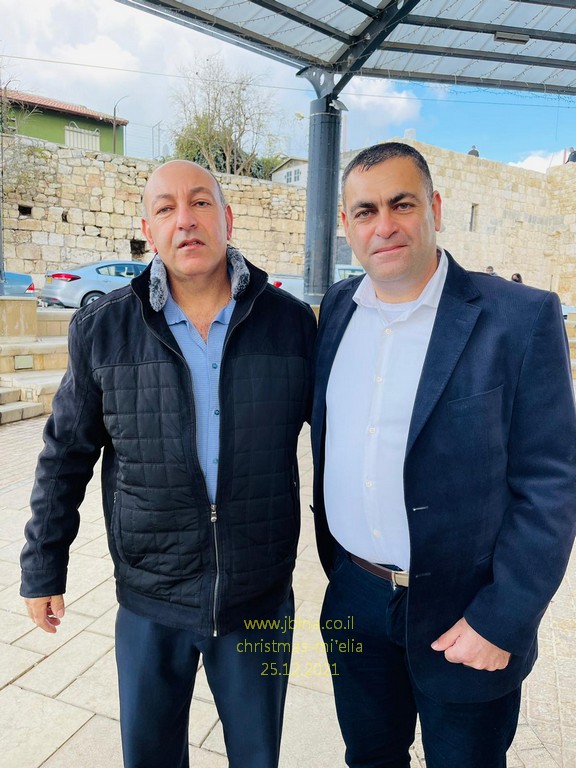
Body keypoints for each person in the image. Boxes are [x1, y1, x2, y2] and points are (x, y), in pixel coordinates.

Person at [21, 160, 317, 768]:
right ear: (148, 231)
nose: (186, 220)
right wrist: (43, 564)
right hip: (150, 595)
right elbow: (65, 453)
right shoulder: (103, 328)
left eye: (201, 203)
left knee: (257, 756)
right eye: (166, 208)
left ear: (227, 218)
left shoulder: (289, 324)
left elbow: (345, 442)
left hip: (257, 594)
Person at [311, 142, 576, 768]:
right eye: (366, 211)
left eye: (401, 204)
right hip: (355, 594)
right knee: (369, 757)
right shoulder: (337, 310)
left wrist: (502, 619)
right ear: (347, 224)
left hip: (466, 614)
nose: (384, 225)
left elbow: (551, 484)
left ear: (434, 207)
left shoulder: (520, 318)